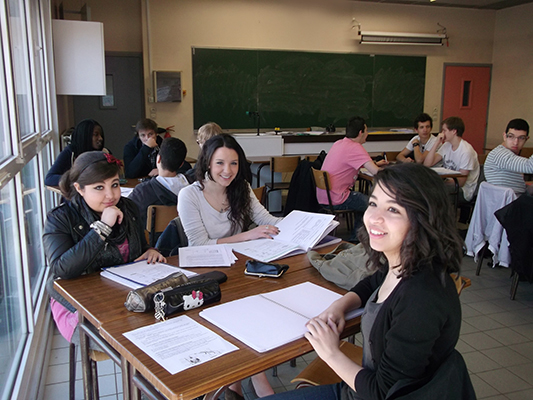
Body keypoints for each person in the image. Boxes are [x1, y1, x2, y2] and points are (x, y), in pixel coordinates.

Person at [262, 163, 474, 400]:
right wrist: (339, 307)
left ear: (423, 219)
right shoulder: (406, 263)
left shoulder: (421, 298)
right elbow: (373, 282)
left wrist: (330, 352)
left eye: (393, 209)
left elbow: (382, 393)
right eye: (373, 203)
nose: (374, 218)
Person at [178, 133, 280, 399]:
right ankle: (259, 384)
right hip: (204, 275)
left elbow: (267, 219)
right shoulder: (189, 195)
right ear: (207, 163)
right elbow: (198, 244)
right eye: (220, 163)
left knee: (261, 304)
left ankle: (233, 387)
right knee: (242, 314)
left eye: (234, 163)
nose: (228, 171)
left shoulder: (241, 188)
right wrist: (245, 236)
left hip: (237, 269)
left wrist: (304, 225)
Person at [43, 151, 165, 348]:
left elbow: (141, 247)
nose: (110, 195)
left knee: (162, 329)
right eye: (99, 187)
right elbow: (61, 269)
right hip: (78, 306)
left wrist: (150, 250)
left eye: (115, 185)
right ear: (79, 189)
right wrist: (101, 229)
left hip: (123, 296)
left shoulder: (129, 208)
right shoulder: (60, 219)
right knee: (135, 343)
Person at [316, 116, 387, 238]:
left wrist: (374, 164)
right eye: (366, 131)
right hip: (337, 198)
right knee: (372, 204)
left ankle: (356, 237)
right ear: (361, 132)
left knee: (363, 203)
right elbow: (376, 172)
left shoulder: (339, 143)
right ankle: (356, 239)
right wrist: (394, 170)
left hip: (324, 196)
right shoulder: (355, 147)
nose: (367, 134)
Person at [129, 137, 190, 228]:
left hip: (153, 241)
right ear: (181, 164)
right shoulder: (192, 188)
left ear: (158, 159)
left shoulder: (142, 192)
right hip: (185, 239)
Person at [424, 116, 480, 203]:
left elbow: (461, 182)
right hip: (449, 183)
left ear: (454, 131)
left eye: (444, 130)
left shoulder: (466, 151)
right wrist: (436, 143)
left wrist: (440, 183)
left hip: (464, 190)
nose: (442, 133)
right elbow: (427, 164)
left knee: (432, 192)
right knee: (425, 189)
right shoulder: (447, 145)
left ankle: (440, 216)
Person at [45, 119, 108, 186]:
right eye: (96, 135)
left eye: (101, 135)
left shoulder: (104, 153)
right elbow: (49, 179)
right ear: (85, 136)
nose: (100, 138)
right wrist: (78, 178)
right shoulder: (70, 152)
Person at [124, 118, 192, 179]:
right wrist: (146, 148)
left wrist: (162, 171)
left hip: (160, 180)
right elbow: (130, 174)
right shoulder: (130, 147)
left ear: (156, 134)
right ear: (138, 136)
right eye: (143, 135)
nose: (147, 138)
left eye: (150, 134)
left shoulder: (164, 144)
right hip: (139, 183)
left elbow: (184, 166)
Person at [484, 118, 533, 194]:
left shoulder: (508, 154)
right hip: (510, 203)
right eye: (511, 136)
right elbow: (530, 166)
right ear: (504, 136)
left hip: (511, 199)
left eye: (521, 138)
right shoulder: (501, 154)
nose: (516, 142)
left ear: (526, 139)